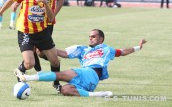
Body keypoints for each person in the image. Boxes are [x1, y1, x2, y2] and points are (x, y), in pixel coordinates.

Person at [15, 29, 147, 97]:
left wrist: (138, 47)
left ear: (101, 39)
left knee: (61, 75)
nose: (91, 38)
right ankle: (96, 94)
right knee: (64, 90)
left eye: (94, 36)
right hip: (89, 83)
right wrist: (43, 49)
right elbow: (62, 53)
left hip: (91, 73)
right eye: (89, 36)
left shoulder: (107, 49)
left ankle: (27, 77)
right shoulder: (82, 49)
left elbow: (123, 51)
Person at [0, 0, 61, 92]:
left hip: (42, 31)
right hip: (25, 32)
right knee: (30, 64)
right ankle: (20, 69)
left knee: (55, 61)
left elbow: (50, 17)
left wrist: (45, 3)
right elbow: (11, 0)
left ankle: (56, 84)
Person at [14, 0, 63, 92]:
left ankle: (55, 82)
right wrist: (13, 6)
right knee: (31, 58)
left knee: (49, 58)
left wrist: (51, 13)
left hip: (45, 26)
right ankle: (29, 69)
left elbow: (60, 1)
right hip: (28, 29)